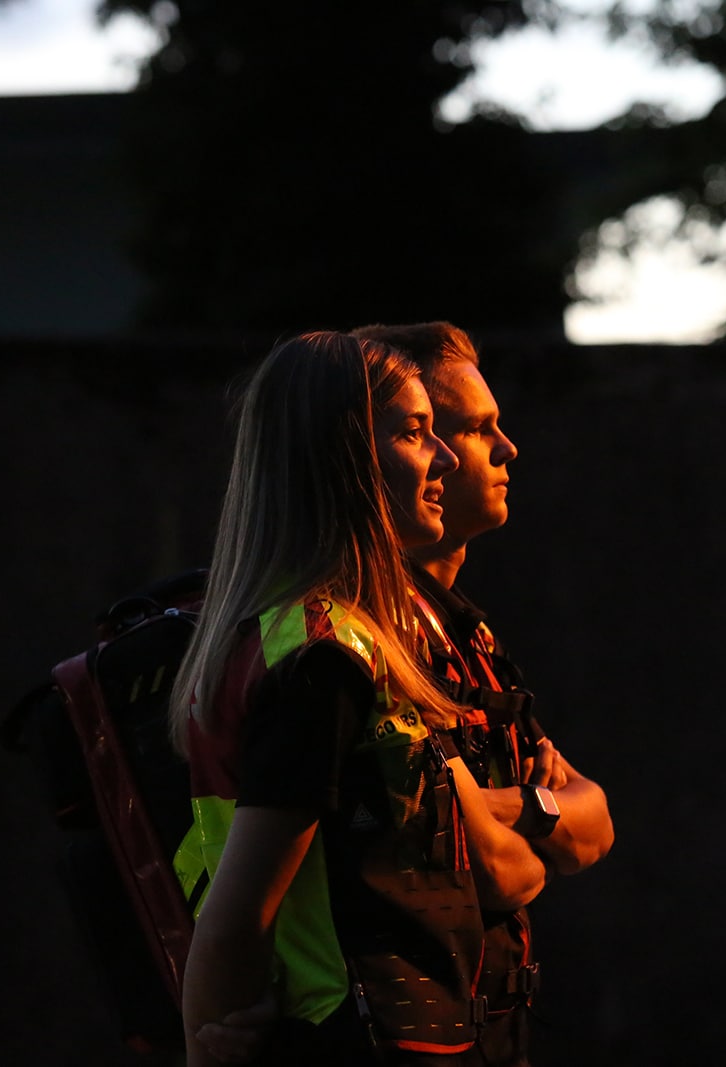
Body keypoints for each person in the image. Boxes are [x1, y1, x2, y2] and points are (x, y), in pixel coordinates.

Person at [169, 331, 549, 1067]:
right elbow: (239, 914)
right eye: (413, 432)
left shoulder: (339, 635)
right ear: (341, 458)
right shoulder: (325, 658)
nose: (444, 458)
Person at [350, 321, 616, 1061]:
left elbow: (596, 824)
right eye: (476, 428)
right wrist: (538, 815)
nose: (509, 449)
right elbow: (500, 872)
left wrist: (515, 806)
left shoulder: (470, 637)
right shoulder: (371, 638)